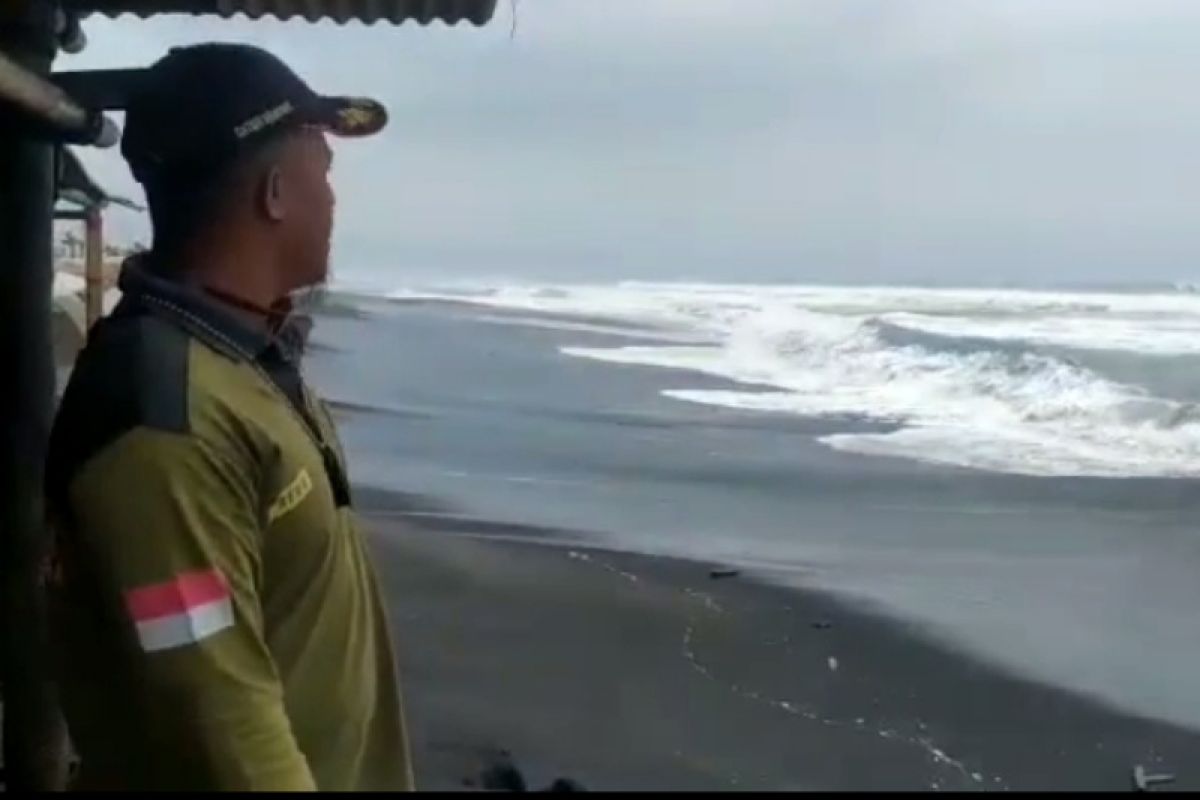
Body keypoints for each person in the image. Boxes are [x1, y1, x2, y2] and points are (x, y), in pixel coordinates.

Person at [44, 43, 412, 791]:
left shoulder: (241, 356)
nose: (335, 201)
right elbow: (213, 712)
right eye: (324, 172)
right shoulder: (160, 420)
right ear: (275, 192)